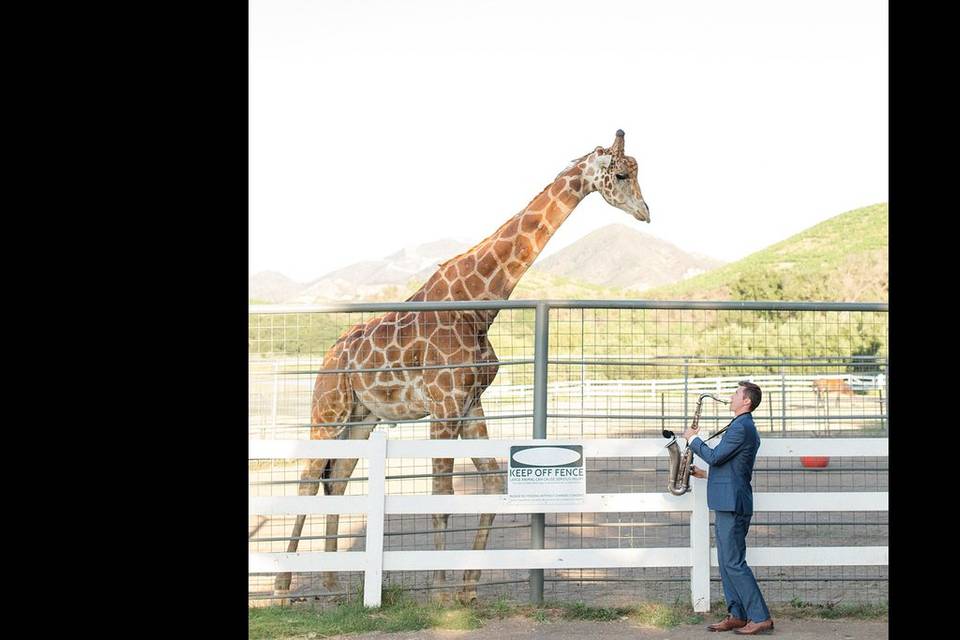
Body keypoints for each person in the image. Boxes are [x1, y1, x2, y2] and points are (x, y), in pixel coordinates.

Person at [683, 381, 774, 635]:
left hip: (732, 502)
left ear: (746, 401)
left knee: (733, 562)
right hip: (728, 499)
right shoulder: (741, 426)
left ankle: (759, 616)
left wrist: (693, 439)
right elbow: (732, 466)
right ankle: (737, 614)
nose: (732, 397)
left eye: (736, 394)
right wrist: (705, 475)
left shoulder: (741, 427)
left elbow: (715, 456)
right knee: (726, 562)